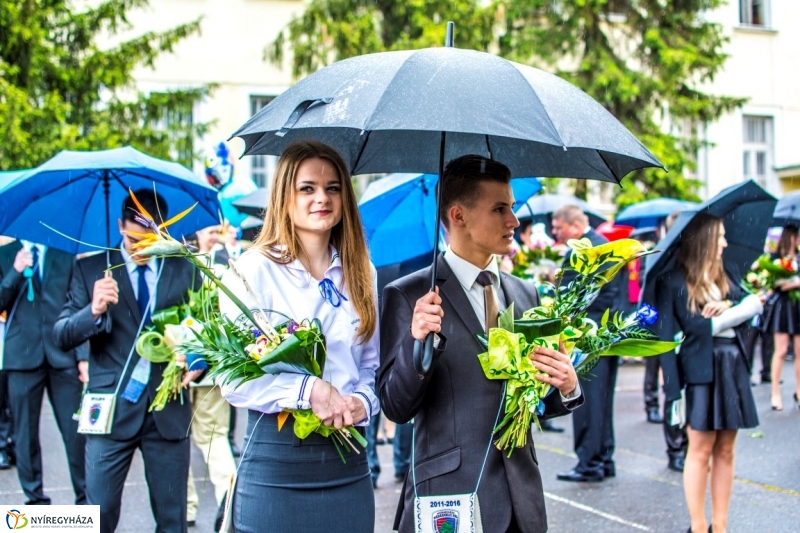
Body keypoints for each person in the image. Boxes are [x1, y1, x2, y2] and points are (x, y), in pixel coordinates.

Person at [378, 155, 581, 533]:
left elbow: (541, 399)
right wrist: (417, 346)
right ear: (458, 216)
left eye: (513, 208)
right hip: (448, 499)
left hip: (521, 499)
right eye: (499, 209)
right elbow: (395, 407)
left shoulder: (526, 295)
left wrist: (566, 385)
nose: (514, 221)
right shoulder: (409, 297)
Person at [217, 140, 379, 533]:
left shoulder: (363, 273)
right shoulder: (251, 272)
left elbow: (371, 367)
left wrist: (362, 401)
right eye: (307, 188)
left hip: (349, 459)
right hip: (277, 461)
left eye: (333, 188)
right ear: (284, 195)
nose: (322, 198)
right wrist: (308, 390)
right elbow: (233, 378)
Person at [54, 189, 204, 533]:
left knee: (172, 519)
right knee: (99, 515)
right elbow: (61, 335)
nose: (140, 247)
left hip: (167, 410)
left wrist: (196, 360)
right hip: (110, 411)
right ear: (120, 226)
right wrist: (92, 310)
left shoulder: (185, 269)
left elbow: (206, 329)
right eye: (133, 238)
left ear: (163, 231)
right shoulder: (91, 270)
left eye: (150, 238)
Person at [653, 213, 763, 533]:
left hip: (731, 367)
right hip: (698, 370)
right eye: (720, 237)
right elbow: (666, 338)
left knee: (727, 449)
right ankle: (699, 527)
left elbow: (754, 304)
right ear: (704, 241)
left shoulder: (727, 274)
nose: (725, 243)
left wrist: (729, 309)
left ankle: (722, 526)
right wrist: (672, 392)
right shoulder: (672, 280)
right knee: (700, 450)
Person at [0, 240, 86, 504]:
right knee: (25, 434)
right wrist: (15, 272)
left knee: (75, 433)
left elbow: (80, 305)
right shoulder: (5, 254)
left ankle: (85, 498)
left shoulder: (66, 253)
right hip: (21, 357)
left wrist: (83, 357)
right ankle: (35, 500)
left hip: (64, 355)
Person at [551, 204, 622, 483]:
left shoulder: (584, 251)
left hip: (587, 337)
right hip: (607, 335)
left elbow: (576, 297)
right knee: (602, 402)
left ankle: (589, 462)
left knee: (588, 403)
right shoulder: (604, 246)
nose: (557, 234)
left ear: (576, 227)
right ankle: (603, 458)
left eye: (559, 228)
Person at [185, 225, 235, 530]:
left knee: (213, 439)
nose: (215, 234)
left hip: (206, 370)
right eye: (210, 230)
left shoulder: (216, 269)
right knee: (181, 441)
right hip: (184, 366)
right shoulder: (205, 269)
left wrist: (196, 358)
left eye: (217, 230)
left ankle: (229, 501)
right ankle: (191, 505)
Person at [767, 224, 800, 410]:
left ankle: (799, 391)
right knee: (780, 350)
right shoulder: (776, 258)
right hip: (783, 306)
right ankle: (775, 392)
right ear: (790, 237)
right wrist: (791, 283)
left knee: (799, 351)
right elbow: (773, 284)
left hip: (798, 305)